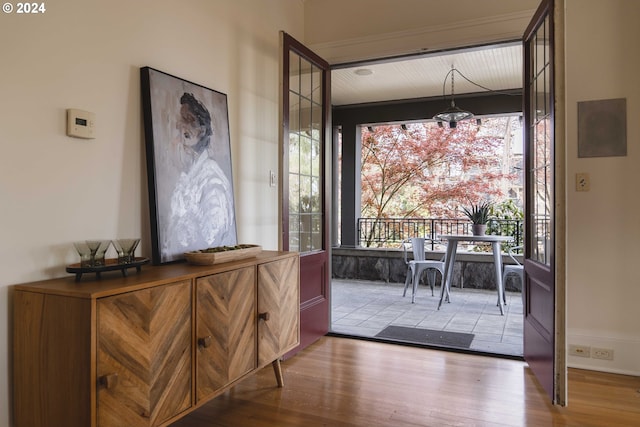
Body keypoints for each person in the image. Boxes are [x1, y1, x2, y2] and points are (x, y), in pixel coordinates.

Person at [162, 92, 236, 262]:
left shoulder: (212, 179)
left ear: (202, 131)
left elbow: (211, 240)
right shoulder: (188, 175)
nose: (182, 126)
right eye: (181, 120)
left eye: (189, 120)